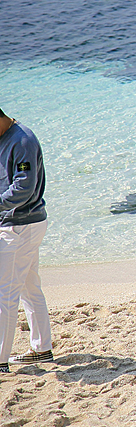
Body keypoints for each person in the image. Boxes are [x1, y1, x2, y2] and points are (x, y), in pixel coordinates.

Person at [0, 108, 53, 373]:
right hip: (22, 225)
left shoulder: (22, 141)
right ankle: (42, 349)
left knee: (4, 295)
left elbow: (24, 186)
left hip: (21, 226)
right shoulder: (4, 138)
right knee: (29, 287)